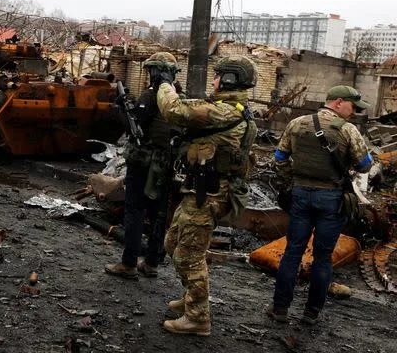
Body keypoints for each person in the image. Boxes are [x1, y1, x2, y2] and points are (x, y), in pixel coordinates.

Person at [151, 56, 259, 336]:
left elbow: (174, 111)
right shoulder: (227, 109)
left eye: (217, 75)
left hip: (210, 195)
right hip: (200, 191)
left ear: (230, 79)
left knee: (189, 254)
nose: (213, 80)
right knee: (173, 242)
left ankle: (198, 317)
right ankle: (191, 299)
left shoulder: (227, 112)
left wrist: (165, 83)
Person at [267, 86, 373, 325]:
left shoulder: (297, 123)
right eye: (353, 106)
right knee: (323, 257)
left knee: (292, 252)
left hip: (301, 195)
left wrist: (290, 184)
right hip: (331, 199)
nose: (355, 111)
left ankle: (280, 308)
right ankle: (311, 313)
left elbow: (280, 158)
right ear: (338, 102)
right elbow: (365, 165)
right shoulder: (348, 130)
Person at [105, 52, 181, 280]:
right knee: (159, 212)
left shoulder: (151, 96)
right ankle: (151, 262)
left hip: (143, 162)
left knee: (135, 209)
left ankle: (128, 263)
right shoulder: (178, 98)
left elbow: (133, 127)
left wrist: (118, 109)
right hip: (166, 163)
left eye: (151, 72)